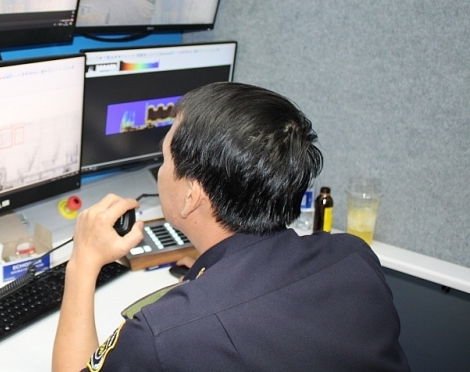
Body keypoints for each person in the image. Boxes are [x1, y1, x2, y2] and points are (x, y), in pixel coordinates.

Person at [52, 82, 409, 371]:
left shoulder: (162, 335)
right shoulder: (354, 257)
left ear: (193, 195)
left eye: (163, 159)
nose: (159, 172)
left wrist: (83, 263)